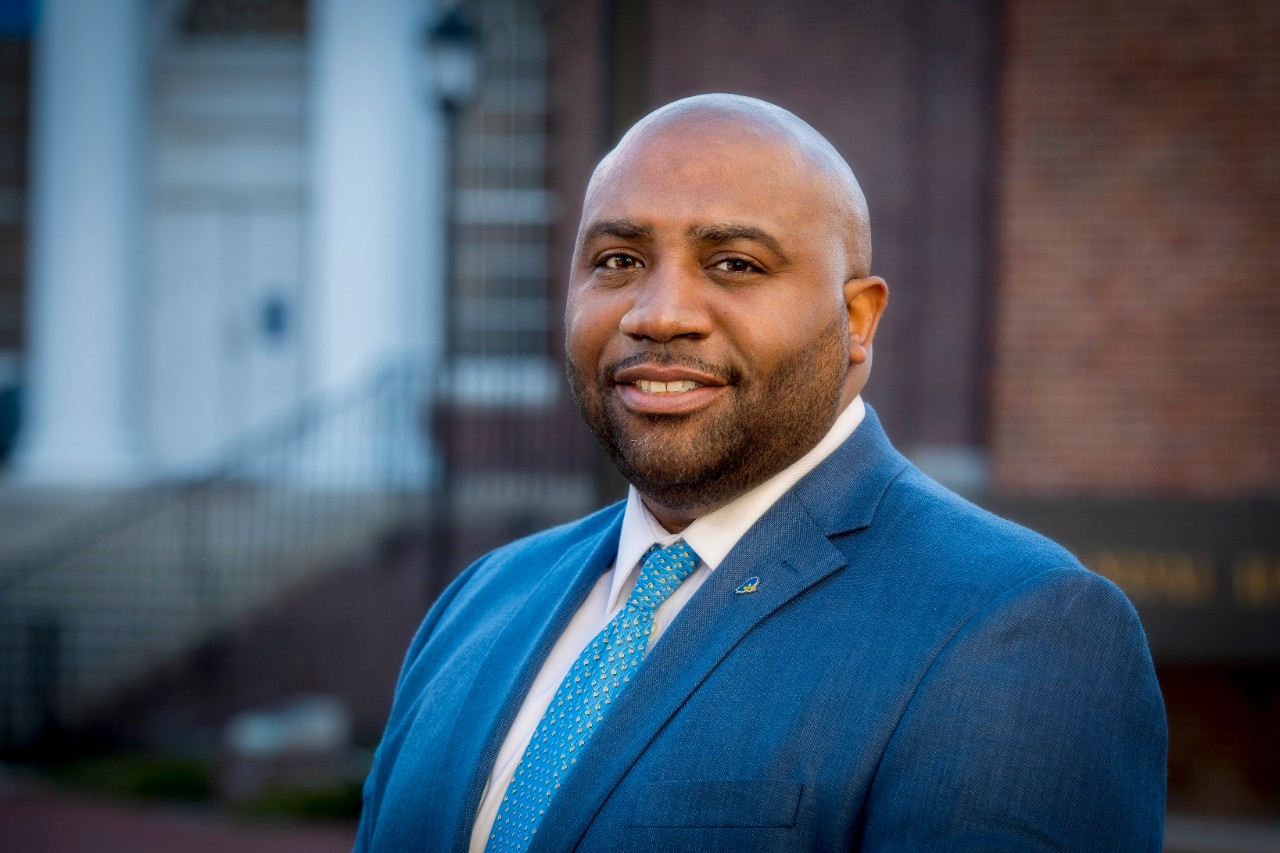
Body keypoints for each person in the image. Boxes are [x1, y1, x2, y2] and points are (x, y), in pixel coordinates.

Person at [355, 94, 1167, 852]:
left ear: (856, 320)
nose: (658, 313)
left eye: (735, 264)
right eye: (617, 259)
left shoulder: (1019, 626)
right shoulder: (480, 602)